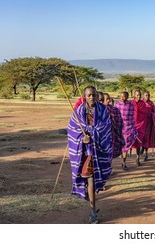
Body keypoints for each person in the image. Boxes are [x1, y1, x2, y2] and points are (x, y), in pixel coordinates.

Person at [67, 86, 112, 224]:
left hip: (97, 150)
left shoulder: (103, 110)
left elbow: (105, 127)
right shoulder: (78, 112)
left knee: (92, 180)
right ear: (84, 96)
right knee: (89, 179)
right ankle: (92, 210)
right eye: (89, 95)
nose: (92, 98)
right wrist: (82, 138)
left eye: (94, 95)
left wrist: (92, 134)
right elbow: (72, 129)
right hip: (84, 152)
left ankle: (92, 210)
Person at [114, 91, 138, 170]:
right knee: (120, 145)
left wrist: (132, 127)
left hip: (128, 129)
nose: (122, 98)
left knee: (125, 147)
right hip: (119, 128)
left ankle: (124, 163)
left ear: (127, 97)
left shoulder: (131, 105)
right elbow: (115, 116)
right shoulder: (117, 104)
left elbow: (132, 117)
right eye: (121, 96)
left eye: (124, 96)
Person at [103, 93, 125, 160]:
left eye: (108, 99)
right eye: (106, 99)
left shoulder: (114, 109)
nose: (108, 101)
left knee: (110, 152)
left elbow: (119, 121)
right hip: (103, 135)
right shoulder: (99, 110)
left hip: (112, 134)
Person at [131, 90, 149, 166]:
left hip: (141, 125)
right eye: (137, 95)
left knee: (138, 143)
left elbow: (145, 114)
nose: (138, 96)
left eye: (139, 95)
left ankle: (137, 159)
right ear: (134, 95)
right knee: (130, 141)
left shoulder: (143, 104)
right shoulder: (131, 103)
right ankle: (126, 156)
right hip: (132, 125)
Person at [142, 91, 155, 161]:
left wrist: (153, 114)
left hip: (149, 124)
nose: (147, 97)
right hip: (142, 124)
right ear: (143, 96)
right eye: (146, 95)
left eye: (148, 95)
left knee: (147, 138)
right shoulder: (141, 103)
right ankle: (141, 149)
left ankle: (146, 154)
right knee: (141, 138)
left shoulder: (151, 103)